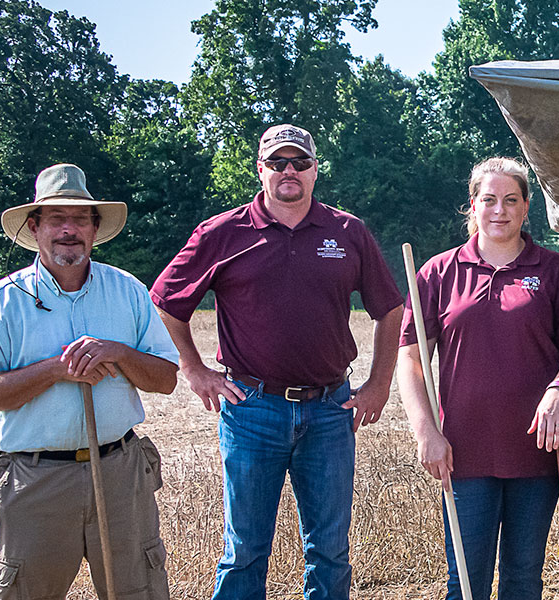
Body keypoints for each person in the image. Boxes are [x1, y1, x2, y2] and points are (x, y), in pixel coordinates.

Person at [152, 124, 405, 600]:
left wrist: (378, 384)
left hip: (330, 410)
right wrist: (194, 369)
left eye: (300, 162)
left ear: (314, 171)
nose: (289, 171)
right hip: (252, 409)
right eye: (278, 163)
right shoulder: (222, 232)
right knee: (245, 548)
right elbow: (165, 303)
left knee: (329, 549)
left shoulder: (347, 231)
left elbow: (390, 308)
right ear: (260, 170)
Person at [0, 163, 181, 599]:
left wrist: (118, 352)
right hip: (33, 479)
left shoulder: (129, 292)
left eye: (80, 218)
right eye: (56, 219)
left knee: (138, 591)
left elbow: (166, 379)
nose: (69, 229)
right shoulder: (1, 304)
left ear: (95, 228)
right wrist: (56, 370)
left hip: (120, 472)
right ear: (34, 227)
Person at [397, 157, 559, 599]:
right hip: (463, 456)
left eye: (511, 200)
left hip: (536, 454)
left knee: (523, 579)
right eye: (489, 200)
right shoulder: (437, 273)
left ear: (527, 207)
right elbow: (410, 360)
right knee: (465, 584)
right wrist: (426, 432)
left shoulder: (556, 272)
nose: (499, 210)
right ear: (473, 205)